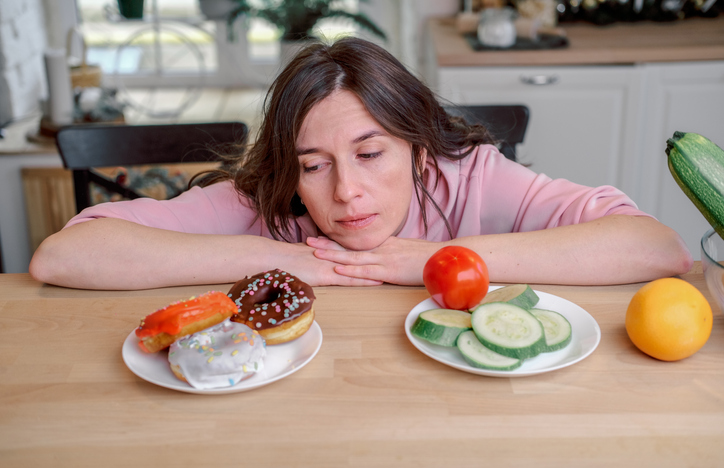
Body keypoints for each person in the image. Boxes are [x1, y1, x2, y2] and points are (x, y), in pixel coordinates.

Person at [29, 37, 692, 290]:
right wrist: (283, 258)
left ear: (418, 147)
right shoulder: (266, 202)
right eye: (314, 165)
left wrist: (439, 258)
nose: (347, 191)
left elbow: (655, 247)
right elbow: (62, 257)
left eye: (371, 153)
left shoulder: (469, 176)